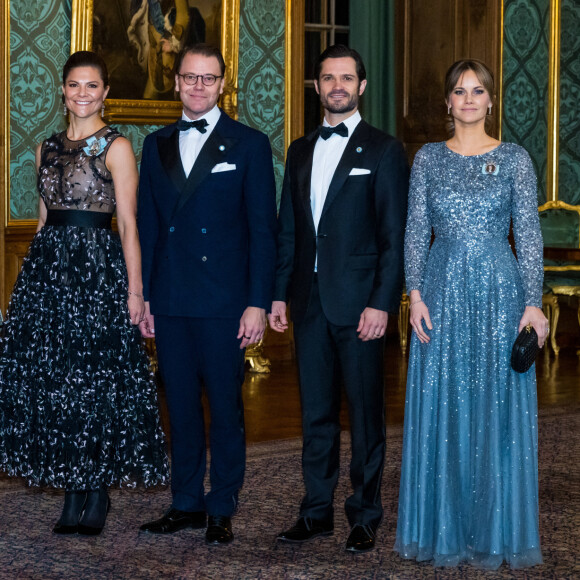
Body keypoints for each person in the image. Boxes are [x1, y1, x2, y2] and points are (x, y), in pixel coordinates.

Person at [0, 50, 169, 536]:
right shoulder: (45, 148)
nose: (82, 94)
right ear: (63, 90)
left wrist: (136, 292)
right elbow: (42, 220)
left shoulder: (117, 146)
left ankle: (95, 490)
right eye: (74, 85)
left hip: (98, 273)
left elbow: (130, 223)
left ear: (105, 92)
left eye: (91, 86)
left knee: (94, 383)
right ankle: (72, 488)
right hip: (49, 277)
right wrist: (30, 287)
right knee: (57, 384)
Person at [394, 59, 547, 569]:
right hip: (439, 293)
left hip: (501, 296)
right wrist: (414, 295)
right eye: (459, 91)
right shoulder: (428, 160)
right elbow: (415, 232)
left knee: (494, 409)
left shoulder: (516, 159)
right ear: (447, 102)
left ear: (490, 100)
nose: (468, 100)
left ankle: (494, 528)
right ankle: (443, 527)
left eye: (477, 91)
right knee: (444, 403)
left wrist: (533, 302)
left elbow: (527, 235)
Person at [269, 44, 409, 553]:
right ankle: (315, 512)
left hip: (361, 308)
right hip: (306, 303)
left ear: (362, 86)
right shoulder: (300, 150)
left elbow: (395, 236)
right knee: (316, 416)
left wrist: (381, 303)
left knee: (367, 416)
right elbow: (289, 230)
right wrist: (279, 295)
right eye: (328, 78)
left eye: (346, 77)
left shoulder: (385, 150)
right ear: (316, 86)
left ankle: (365, 515)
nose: (337, 86)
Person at [137, 43, 277, 545]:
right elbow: (150, 228)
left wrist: (257, 302)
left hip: (226, 303)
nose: (198, 86)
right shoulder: (154, 145)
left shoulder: (249, 144)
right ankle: (185, 502)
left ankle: (222, 505)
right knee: (179, 405)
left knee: (225, 408)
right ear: (175, 82)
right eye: (189, 77)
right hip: (172, 300)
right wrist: (147, 299)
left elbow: (264, 231)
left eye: (208, 78)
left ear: (222, 84)